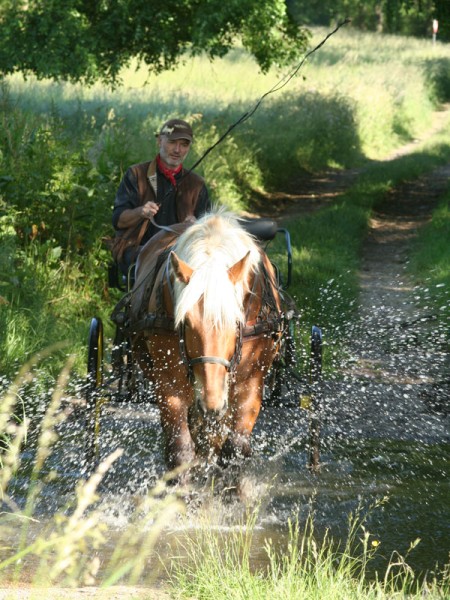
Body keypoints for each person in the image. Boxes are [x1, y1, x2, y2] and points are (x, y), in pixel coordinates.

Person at [111, 118, 211, 277]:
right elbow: (118, 220)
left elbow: (208, 232)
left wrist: (196, 225)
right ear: (159, 141)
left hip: (181, 253)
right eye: (172, 142)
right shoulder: (136, 174)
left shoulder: (196, 184)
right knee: (161, 265)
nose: (177, 150)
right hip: (138, 250)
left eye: (184, 145)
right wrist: (140, 212)